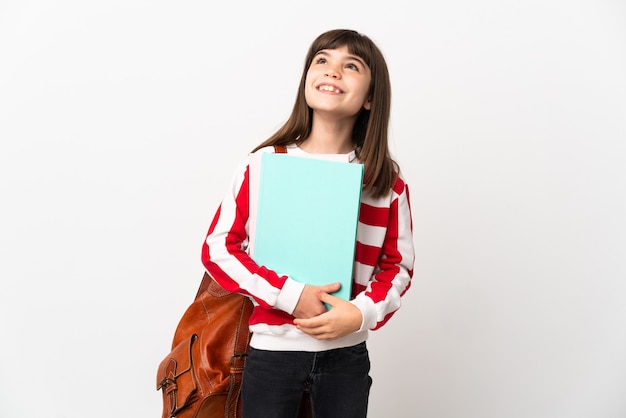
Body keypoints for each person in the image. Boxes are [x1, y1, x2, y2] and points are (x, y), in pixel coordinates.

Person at [201, 28, 414, 418]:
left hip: (346, 359)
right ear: (306, 81)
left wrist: (360, 314)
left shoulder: (385, 183)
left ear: (370, 98)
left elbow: (396, 266)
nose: (333, 71)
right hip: (271, 356)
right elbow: (218, 248)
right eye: (322, 60)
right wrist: (290, 295)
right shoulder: (262, 165)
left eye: (351, 66)